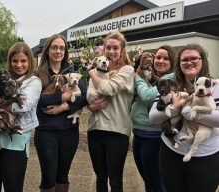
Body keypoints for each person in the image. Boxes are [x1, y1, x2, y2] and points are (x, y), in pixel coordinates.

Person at [149, 44, 219, 192]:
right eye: (184, 59)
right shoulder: (170, 85)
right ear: (179, 64)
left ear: (203, 61)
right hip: (170, 154)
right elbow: (154, 117)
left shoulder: (215, 86)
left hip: (205, 157)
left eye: (194, 58)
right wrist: (175, 108)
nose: (189, 62)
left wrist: (186, 110)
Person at [0, 42, 42, 192]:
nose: (19, 65)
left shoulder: (33, 82)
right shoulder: (0, 77)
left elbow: (22, 107)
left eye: (23, 61)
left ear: (30, 61)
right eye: (15, 61)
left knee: (13, 187)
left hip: (15, 143)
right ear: (9, 61)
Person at [35, 34, 88, 192]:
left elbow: (84, 97)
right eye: (54, 47)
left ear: (65, 51)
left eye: (62, 48)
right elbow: (36, 100)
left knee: (63, 176)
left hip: (69, 132)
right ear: (47, 50)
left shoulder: (72, 73)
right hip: (46, 132)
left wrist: (63, 107)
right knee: (48, 177)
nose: (58, 51)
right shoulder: (38, 74)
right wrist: (62, 96)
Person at [86, 31, 135, 192]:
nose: (111, 51)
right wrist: (90, 107)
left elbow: (108, 89)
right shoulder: (99, 72)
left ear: (122, 51)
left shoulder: (127, 70)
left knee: (115, 180)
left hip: (117, 131)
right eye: (108, 48)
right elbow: (89, 98)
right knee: (100, 177)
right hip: (95, 129)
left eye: (115, 48)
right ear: (103, 50)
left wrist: (91, 72)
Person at [130, 45, 176, 192]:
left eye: (165, 58)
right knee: (148, 181)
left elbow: (147, 96)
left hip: (154, 137)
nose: (160, 60)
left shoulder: (170, 78)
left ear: (172, 62)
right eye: (158, 57)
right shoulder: (152, 76)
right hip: (138, 134)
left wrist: (137, 77)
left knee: (156, 183)